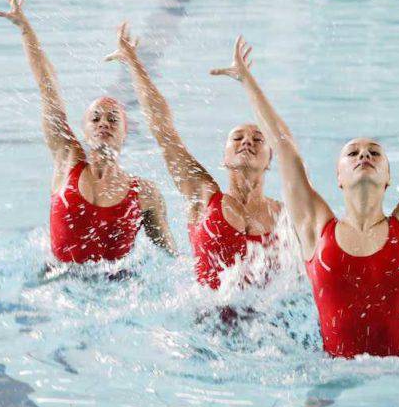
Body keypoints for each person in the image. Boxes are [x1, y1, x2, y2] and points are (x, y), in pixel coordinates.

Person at [211, 32, 399, 357]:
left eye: (374, 153)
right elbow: (283, 144)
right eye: (352, 153)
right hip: (332, 375)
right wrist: (246, 80)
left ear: (388, 177)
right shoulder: (315, 228)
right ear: (339, 177)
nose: (364, 155)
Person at [0, 0, 175, 264]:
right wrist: (25, 30)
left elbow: (172, 258)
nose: (104, 123)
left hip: (119, 284)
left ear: (125, 132)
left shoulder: (145, 194)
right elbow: (48, 88)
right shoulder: (67, 162)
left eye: (113, 119)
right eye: (95, 118)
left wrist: (135, 64)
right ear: (84, 130)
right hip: (57, 279)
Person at [105, 23, 282, 289]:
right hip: (203, 313)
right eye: (237, 138)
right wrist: (134, 62)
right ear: (224, 158)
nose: (247, 141)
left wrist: (249, 83)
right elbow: (164, 131)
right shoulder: (203, 196)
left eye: (258, 139)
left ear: (270, 159)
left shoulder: (283, 217)